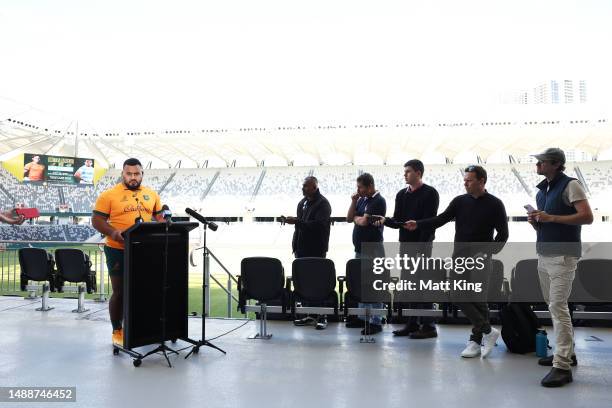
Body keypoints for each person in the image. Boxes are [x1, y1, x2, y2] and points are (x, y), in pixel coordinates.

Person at [406, 165, 508, 358]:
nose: (465, 183)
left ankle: (475, 341)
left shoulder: (495, 204)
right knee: (456, 295)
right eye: (465, 180)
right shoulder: (460, 201)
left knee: (479, 301)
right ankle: (488, 331)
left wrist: (487, 253)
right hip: (459, 258)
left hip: (481, 260)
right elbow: (441, 219)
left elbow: (503, 235)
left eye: (469, 180)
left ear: (481, 181)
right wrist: (418, 224)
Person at [527, 148, 593, 388]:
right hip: (544, 254)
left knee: (558, 307)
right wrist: (537, 221)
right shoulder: (542, 191)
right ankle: (568, 353)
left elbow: (586, 217)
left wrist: (551, 218)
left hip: (563, 256)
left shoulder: (571, 185)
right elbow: (546, 225)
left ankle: (562, 366)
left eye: (541, 162)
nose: (537, 166)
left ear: (555, 164)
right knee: (553, 305)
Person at [91, 158, 165, 346]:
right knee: (120, 292)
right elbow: (97, 221)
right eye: (129, 174)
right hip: (117, 249)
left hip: (144, 249)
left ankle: (144, 326)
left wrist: (165, 222)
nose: (133, 177)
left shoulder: (152, 194)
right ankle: (117, 330)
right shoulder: (109, 195)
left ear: (142, 174)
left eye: (136, 173)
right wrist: (114, 233)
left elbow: (159, 217)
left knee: (146, 289)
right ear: (123, 174)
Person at [379, 159, 440, 339]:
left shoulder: (430, 193)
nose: (404, 174)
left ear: (418, 173)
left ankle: (429, 326)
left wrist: (421, 249)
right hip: (405, 246)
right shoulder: (401, 194)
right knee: (410, 286)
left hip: (422, 247)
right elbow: (398, 221)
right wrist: (384, 220)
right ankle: (412, 323)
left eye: (408, 171)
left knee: (422, 286)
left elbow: (430, 224)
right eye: (404, 171)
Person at [282, 176, 332, 330]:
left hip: (316, 249)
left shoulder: (323, 204)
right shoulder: (302, 202)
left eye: (306, 186)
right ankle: (309, 313)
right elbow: (302, 224)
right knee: (304, 284)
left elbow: (318, 226)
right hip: (301, 249)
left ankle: (322, 316)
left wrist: (296, 221)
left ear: (315, 187)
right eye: (302, 186)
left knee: (318, 283)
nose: (303, 188)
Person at [347, 172, 386, 335]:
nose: (358, 190)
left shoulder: (378, 200)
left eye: (360, 187)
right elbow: (349, 218)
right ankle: (364, 318)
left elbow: (363, 221)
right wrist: (354, 201)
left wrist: (358, 218)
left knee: (373, 285)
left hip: (373, 249)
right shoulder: (361, 199)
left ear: (370, 186)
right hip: (360, 249)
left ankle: (376, 321)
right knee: (362, 285)